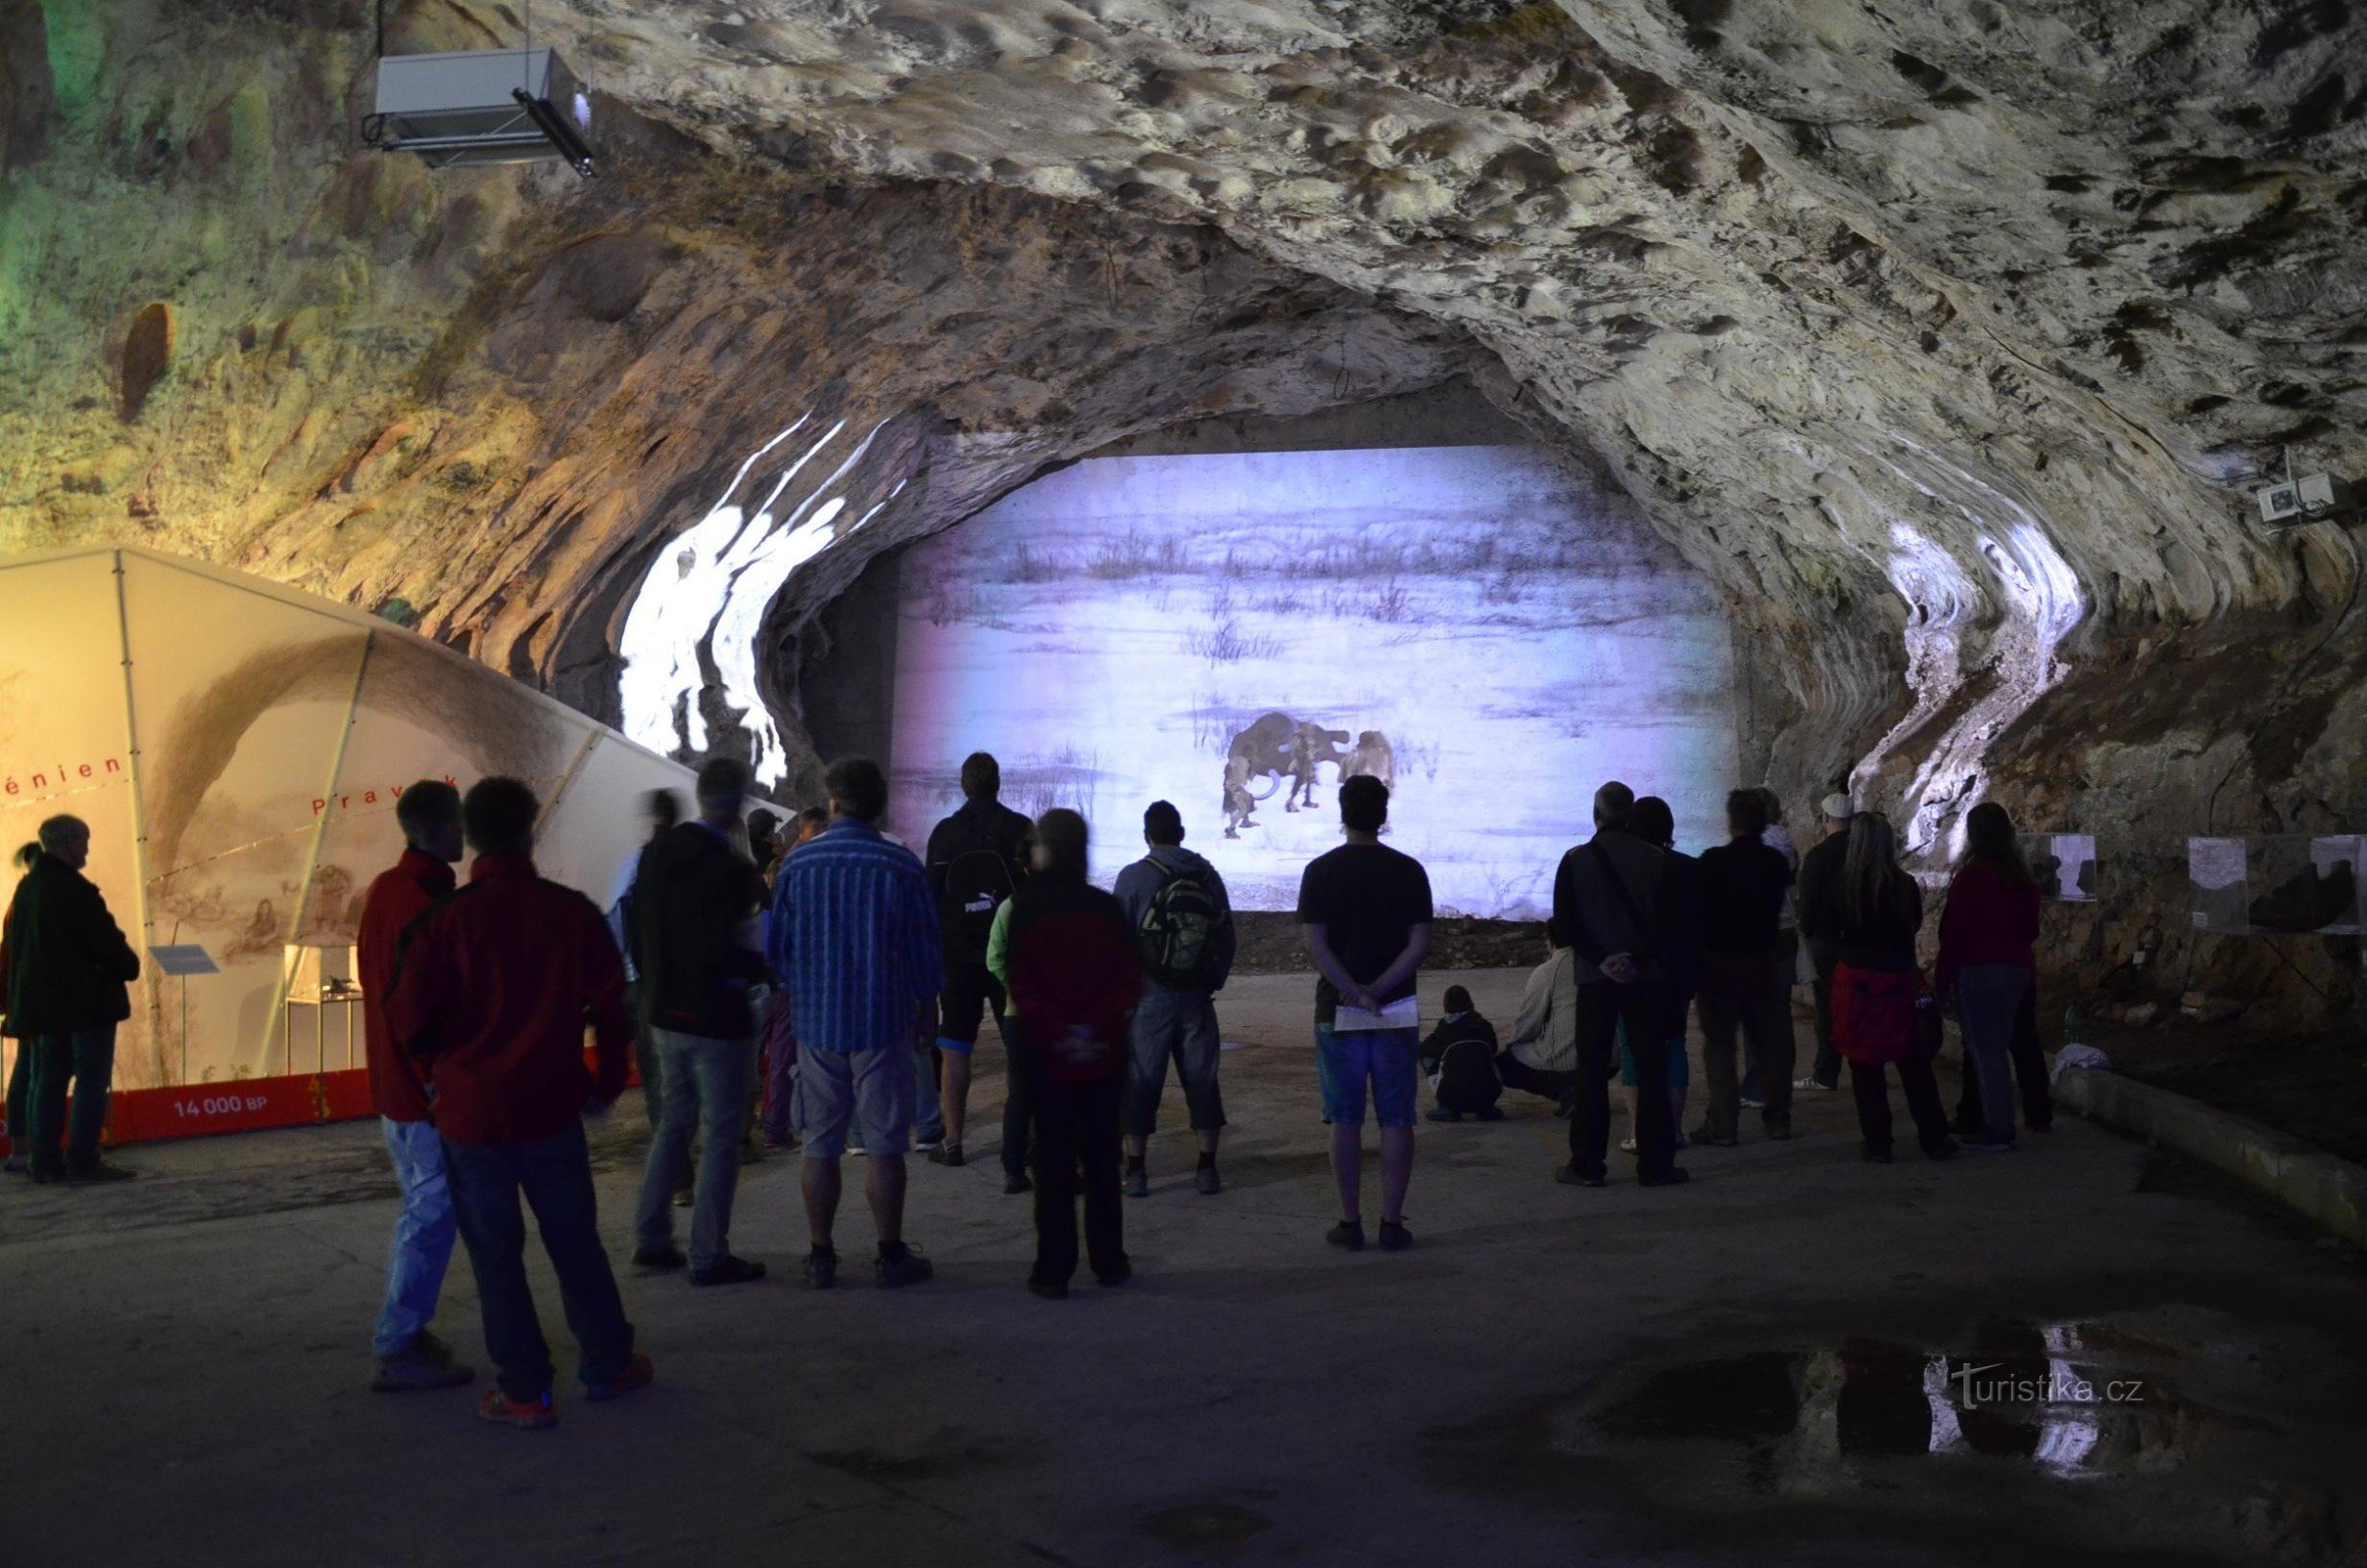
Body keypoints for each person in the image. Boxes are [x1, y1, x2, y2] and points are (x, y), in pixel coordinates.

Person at [384, 777, 650, 1429]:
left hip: (473, 1120)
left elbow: (408, 1019)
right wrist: (606, 1082)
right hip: (552, 1109)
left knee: (495, 1256)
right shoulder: (570, 912)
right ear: (531, 828)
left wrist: (440, 1080)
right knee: (574, 1242)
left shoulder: (441, 922)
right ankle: (608, 1361)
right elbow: (615, 1009)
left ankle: (526, 1390)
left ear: (471, 837)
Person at [769, 758, 939, 1291]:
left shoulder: (797, 866)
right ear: (880, 806)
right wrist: (926, 1009)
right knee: (886, 1143)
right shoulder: (900, 865)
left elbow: (780, 956)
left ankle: (821, 1256)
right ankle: (890, 1255)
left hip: (817, 1024)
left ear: (834, 804)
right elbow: (922, 952)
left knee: (820, 1143)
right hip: (881, 1022)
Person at [986, 808, 1144, 1297]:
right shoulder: (1105, 908)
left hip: (1046, 1058)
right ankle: (1109, 1261)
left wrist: (1058, 1032)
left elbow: (1022, 982)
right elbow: (1128, 980)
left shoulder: (1027, 907)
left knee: (1052, 1165)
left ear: (1044, 850)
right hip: (1102, 1056)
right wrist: (1093, 1030)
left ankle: (1053, 1269)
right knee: (1100, 1162)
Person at [627, 758, 771, 1286]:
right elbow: (743, 948)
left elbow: (633, 921)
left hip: (664, 1012)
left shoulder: (658, 853)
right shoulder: (734, 872)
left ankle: (651, 1238)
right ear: (737, 805)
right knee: (721, 1134)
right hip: (715, 1020)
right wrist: (756, 976)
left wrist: (650, 986)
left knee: (673, 1124)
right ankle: (709, 1253)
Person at [355, 782, 472, 1392]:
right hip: (420, 1090)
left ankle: (405, 1334)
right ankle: (397, 1340)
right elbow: (421, 1006)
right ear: (434, 830)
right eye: (455, 825)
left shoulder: (386, 891)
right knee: (432, 1213)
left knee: (424, 1208)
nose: (463, 834)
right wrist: (436, 1082)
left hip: (394, 1085)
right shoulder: (424, 900)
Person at [1297, 773, 1431, 1252]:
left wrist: (1353, 991)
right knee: (1397, 1119)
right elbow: (1418, 944)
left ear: (1341, 812)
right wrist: (1379, 990)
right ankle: (1392, 1223)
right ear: (1384, 814)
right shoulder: (1409, 871)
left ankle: (1349, 1222)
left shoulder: (1320, 871)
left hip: (1339, 1012)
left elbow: (1317, 943)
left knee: (1346, 1120)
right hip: (1396, 1010)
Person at [1552, 782, 1687, 1189]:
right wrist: (1633, 958)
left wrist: (1602, 961)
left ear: (1596, 813)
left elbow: (1566, 924)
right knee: (1650, 1067)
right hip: (1643, 977)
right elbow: (1666, 924)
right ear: (1629, 816)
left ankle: (1588, 1164)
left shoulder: (1575, 860)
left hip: (1595, 979)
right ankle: (1656, 1164)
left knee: (1591, 1071)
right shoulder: (1655, 858)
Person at [5, 815, 140, 1185]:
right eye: (83, 841)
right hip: (86, 1005)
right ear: (66, 844)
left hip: (44, 1007)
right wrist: (129, 965)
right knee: (90, 1083)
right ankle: (82, 1161)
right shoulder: (74, 890)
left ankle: (44, 1162)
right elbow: (106, 944)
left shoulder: (28, 889)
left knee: (46, 1083)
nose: (87, 849)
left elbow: (20, 949)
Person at [1111, 800, 1236, 1197]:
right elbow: (1226, 935)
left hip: (1149, 999)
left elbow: (1117, 942)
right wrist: (1211, 981)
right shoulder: (1208, 875)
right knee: (1201, 1079)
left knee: (1142, 1081)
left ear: (1146, 836)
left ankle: (1136, 1172)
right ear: (1181, 834)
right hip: (1197, 996)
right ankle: (1207, 1170)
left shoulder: (1133, 878)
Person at [923, 752, 1034, 1182]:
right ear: (998, 783)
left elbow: (930, 898)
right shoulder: (1019, 828)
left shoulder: (945, 833)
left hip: (958, 955)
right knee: (1018, 1049)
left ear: (963, 785)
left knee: (954, 1048)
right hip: (1009, 958)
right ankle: (1022, 1137)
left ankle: (953, 1142)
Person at [1826, 810, 1957, 1163]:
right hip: (1897, 979)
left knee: (1865, 1068)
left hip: (1856, 983)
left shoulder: (1843, 887)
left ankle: (1878, 1142)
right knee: (1913, 1064)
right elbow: (1912, 924)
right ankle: (1933, 1137)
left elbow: (1829, 928)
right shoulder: (1903, 886)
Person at [1692, 788, 1798, 1146]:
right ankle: (1778, 1119)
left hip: (1719, 964)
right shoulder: (1775, 863)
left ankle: (1723, 1125)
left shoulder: (1711, 862)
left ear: (1730, 820)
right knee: (1769, 1044)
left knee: (1720, 1047)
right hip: (1762, 960)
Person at [1935, 801, 2042, 1152]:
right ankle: (2012, 1115)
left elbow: (1953, 934)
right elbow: (2031, 930)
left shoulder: (1971, 878)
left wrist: (1942, 981)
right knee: (2003, 1046)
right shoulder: (2021, 878)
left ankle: (1999, 1125)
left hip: (1978, 971)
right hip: (2016, 970)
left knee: (1985, 1051)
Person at [609, 788, 689, 1205]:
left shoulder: (637, 863)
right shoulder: (695, 861)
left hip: (645, 985)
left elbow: (616, 921)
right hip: (691, 984)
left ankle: (677, 1179)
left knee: (660, 1083)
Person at [1616, 796, 1696, 1156]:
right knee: (1674, 1046)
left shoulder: (1626, 869)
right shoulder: (1688, 868)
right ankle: (1674, 1129)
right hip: (1677, 971)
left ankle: (1638, 1131)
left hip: (1635, 971)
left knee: (1633, 1051)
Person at [758, 808, 833, 1148]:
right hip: (794, 972)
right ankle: (777, 1125)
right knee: (787, 1051)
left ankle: (744, 1125)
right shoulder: (817, 865)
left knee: (758, 1050)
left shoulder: (778, 865)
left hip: (764, 970)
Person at [1794, 792, 1855, 1092]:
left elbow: (1807, 903)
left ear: (1825, 820)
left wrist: (1805, 930)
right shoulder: (1863, 852)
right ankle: (1865, 1066)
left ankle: (1826, 1072)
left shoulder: (1818, 856)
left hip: (1825, 941)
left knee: (1827, 1007)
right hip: (1859, 941)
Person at [1496, 922, 1580, 1113]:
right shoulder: (1598, 964)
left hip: (1568, 1060)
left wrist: (1511, 1046)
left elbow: (1528, 1023)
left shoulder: (1549, 970)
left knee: (1504, 1065)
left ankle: (1567, 1091)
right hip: (1609, 1060)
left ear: (1551, 942)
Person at [2, 842, 40, 1174]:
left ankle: (22, 1149)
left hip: (25, 1001)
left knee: (28, 1073)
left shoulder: (20, 902)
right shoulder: (33, 901)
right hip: (38, 1002)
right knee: (33, 1074)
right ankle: (27, 1150)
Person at [1420, 985, 1503, 1121]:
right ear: (1470, 1002)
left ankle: (1447, 1107)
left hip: (1452, 1094)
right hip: (1488, 1094)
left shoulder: (1444, 1030)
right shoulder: (1485, 1026)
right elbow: (1493, 1049)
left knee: (1427, 1058)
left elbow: (1423, 1050)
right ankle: (1486, 1108)